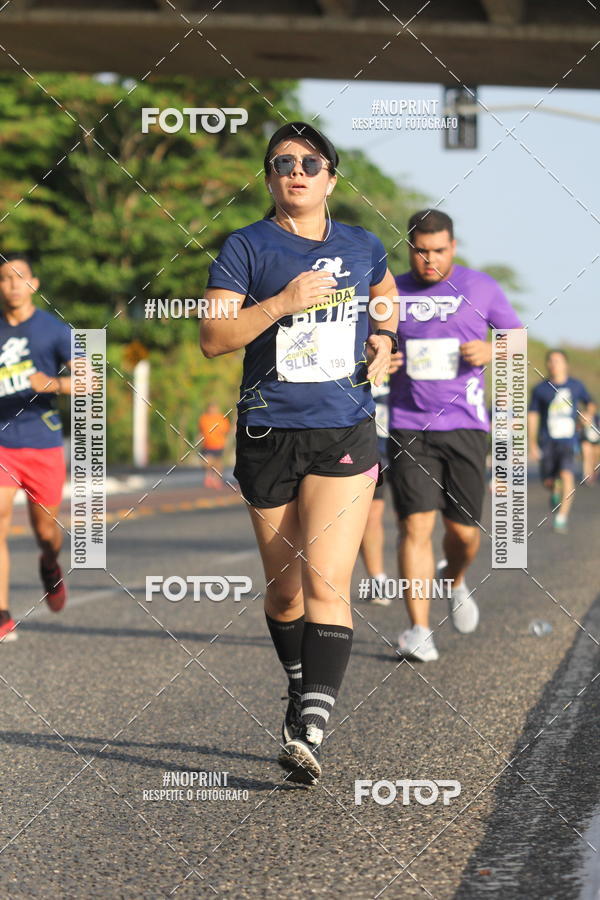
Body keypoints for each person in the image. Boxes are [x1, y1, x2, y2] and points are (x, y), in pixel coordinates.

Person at [201, 121, 398, 783]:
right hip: (268, 431)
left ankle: (312, 723)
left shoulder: (362, 245)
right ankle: (298, 681)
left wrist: (382, 337)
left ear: (331, 178)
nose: (296, 171)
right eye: (282, 161)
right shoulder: (247, 246)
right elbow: (213, 336)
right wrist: (282, 302)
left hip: (344, 428)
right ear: (269, 177)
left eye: (311, 162)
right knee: (285, 594)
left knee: (324, 583)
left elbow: (386, 296)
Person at [388, 209, 522, 662]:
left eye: (439, 251)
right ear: (410, 248)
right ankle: (419, 629)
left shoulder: (481, 287)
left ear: (453, 247)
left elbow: (516, 341)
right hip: (409, 424)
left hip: (466, 425)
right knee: (416, 525)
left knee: (464, 535)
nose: (430, 259)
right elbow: (370, 343)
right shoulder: (390, 290)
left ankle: (456, 580)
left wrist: (492, 348)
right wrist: (379, 356)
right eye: (421, 251)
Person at [0, 254, 73, 642]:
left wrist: (56, 385)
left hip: (42, 445)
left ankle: (49, 563)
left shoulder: (54, 331)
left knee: (46, 533)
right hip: (2, 443)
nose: (12, 284)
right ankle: (2, 614)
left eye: (19, 277)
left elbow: (91, 380)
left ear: (34, 284)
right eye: (4, 278)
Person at [528, 349, 595, 533]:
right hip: (547, 441)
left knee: (567, 475)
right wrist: (532, 442)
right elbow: (533, 415)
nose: (553, 364)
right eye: (550, 361)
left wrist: (588, 415)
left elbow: (590, 402)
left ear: (566, 364)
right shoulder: (540, 389)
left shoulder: (576, 386)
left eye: (557, 361)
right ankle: (554, 487)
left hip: (568, 440)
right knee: (548, 481)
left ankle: (561, 517)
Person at [358, 378, 391, 605]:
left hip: (412, 437)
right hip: (371, 443)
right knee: (372, 512)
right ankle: (377, 579)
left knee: (414, 518)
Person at [197, 402, 230, 490]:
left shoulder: (222, 418)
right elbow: (200, 430)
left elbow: (226, 431)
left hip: (219, 444)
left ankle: (216, 479)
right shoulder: (204, 418)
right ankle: (208, 476)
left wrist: (226, 442)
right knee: (206, 462)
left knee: (218, 463)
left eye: (214, 408)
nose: (213, 410)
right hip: (207, 444)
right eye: (211, 408)